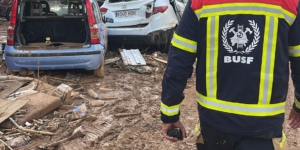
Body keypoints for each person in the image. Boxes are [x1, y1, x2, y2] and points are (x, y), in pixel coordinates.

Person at [160, 0, 300, 149]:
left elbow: (179, 59)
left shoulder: (199, 2)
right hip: (263, 125)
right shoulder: (289, 2)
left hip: (214, 123)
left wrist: (170, 113)